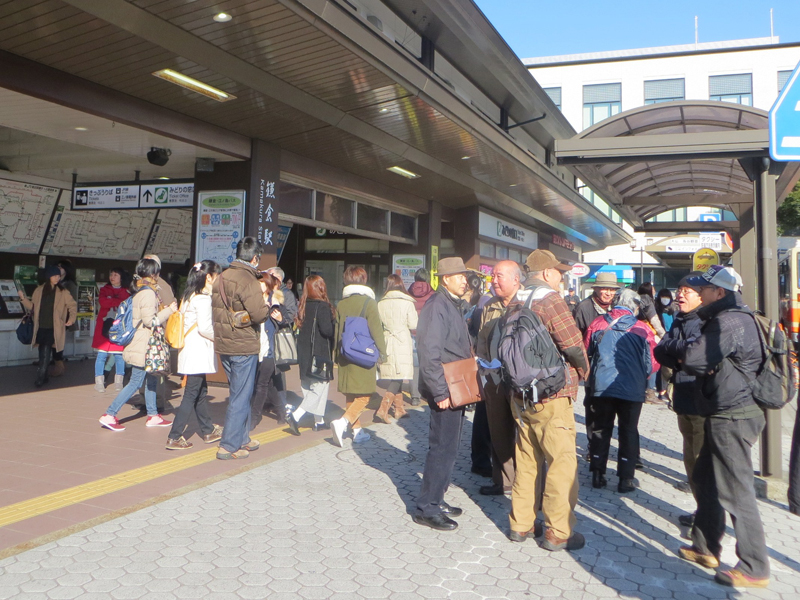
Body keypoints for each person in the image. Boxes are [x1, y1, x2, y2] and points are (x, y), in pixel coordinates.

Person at [675, 265, 770, 589]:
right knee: (706, 478)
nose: (699, 294)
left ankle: (755, 566)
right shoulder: (735, 316)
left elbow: (694, 359)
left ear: (720, 292)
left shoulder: (727, 321)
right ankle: (705, 547)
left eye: (704, 290)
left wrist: (678, 351)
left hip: (733, 415)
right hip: (727, 411)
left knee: (737, 491)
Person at [507, 250, 588, 551]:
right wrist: (584, 370)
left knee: (527, 460)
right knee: (560, 463)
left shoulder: (515, 300)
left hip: (521, 393)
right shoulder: (550, 299)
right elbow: (572, 343)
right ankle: (558, 531)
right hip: (551, 394)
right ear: (545, 273)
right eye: (558, 272)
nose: (561, 277)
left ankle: (521, 524)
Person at [413, 257, 473, 531]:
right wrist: (439, 392)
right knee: (441, 448)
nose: (464, 280)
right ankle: (427, 508)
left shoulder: (451, 304)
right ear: (445, 279)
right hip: (445, 388)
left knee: (450, 448)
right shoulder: (437, 305)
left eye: (464, 276)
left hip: (455, 386)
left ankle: (437, 497)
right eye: (459, 276)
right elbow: (429, 352)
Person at [584, 288, 656, 493]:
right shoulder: (642, 328)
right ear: (635, 307)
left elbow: (586, 351)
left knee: (601, 429)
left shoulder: (598, 323)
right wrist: (642, 377)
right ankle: (626, 479)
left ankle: (597, 474)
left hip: (602, 387)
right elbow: (652, 362)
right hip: (632, 388)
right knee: (628, 430)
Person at [98, 258, 176, 431]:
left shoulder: (140, 290)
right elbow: (150, 321)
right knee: (135, 382)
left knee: (151, 380)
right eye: (157, 272)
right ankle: (110, 414)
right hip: (143, 345)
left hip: (143, 344)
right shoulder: (148, 293)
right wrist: (169, 311)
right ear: (153, 274)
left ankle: (153, 415)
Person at [211, 237, 271, 460]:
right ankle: (228, 445)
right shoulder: (248, 280)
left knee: (240, 393)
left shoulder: (221, 277)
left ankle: (243, 437)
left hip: (225, 343)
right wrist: (267, 307)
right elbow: (259, 314)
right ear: (255, 258)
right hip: (243, 344)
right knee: (240, 396)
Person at [653, 273, 705, 523]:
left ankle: (708, 518)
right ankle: (701, 511)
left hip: (701, 400)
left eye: (687, 291)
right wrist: (679, 355)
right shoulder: (680, 319)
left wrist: (679, 353)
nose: (680, 295)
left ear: (701, 296)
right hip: (683, 398)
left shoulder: (705, 320)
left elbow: (695, 356)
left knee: (702, 460)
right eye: (679, 290)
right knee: (690, 460)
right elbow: (660, 350)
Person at [165, 261, 224, 450]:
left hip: (189, 350)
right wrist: (221, 338)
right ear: (209, 277)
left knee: (200, 391)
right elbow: (205, 328)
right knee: (192, 393)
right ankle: (174, 436)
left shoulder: (189, 296)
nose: (218, 279)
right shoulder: (203, 299)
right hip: (198, 351)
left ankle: (208, 430)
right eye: (217, 275)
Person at [475, 260, 522, 496]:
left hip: (522, 379)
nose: (493, 281)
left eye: (499, 276)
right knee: (498, 431)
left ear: (516, 279)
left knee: (524, 433)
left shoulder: (528, 303)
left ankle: (526, 483)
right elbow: (482, 341)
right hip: (494, 377)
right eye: (492, 276)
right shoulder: (489, 305)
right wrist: (484, 370)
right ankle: (503, 481)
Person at [330, 266, 387, 447]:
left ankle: (357, 432)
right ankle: (343, 422)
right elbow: (376, 330)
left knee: (351, 395)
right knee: (365, 395)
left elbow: (337, 332)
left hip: (345, 354)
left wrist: (336, 354)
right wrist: (383, 352)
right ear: (363, 280)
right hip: (364, 355)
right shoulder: (369, 303)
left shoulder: (342, 304)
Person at [287, 275, 336, 433]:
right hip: (319, 352)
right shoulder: (323, 306)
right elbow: (327, 330)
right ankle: (296, 416)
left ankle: (318, 421)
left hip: (304, 352)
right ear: (321, 288)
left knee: (308, 386)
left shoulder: (302, 305)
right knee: (320, 386)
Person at [18, 265, 78, 388]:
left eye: (58, 276)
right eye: (54, 276)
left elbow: (72, 305)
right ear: (48, 276)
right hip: (40, 326)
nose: (57, 278)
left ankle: (40, 376)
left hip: (54, 327)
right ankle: (44, 376)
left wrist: (71, 319)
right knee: (42, 351)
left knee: (45, 349)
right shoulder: (39, 290)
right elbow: (33, 307)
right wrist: (23, 298)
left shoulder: (63, 291)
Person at [374, 275, 418, 423]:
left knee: (395, 374)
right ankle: (383, 409)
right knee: (399, 375)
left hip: (387, 340)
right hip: (402, 341)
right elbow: (413, 324)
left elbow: (378, 324)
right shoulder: (407, 302)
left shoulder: (381, 303)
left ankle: (399, 409)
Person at [250, 272, 290, 428]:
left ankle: (254, 418)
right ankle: (281, 412)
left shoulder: (275, 303)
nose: (258, 285)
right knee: (270, 384)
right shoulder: (253, 300)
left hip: (270, 350)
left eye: (261, 282)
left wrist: (280, 320)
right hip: (256, 348)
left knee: (261, 384)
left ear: (267, 285)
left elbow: (287, 323)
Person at [266, 266, 298, 416]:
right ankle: (273, 402)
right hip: (267, 336)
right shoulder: (266, 292)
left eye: (270, 275)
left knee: (277, 372)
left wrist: (281, 318)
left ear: (277, 278)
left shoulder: (286, 294)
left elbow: (291, 316)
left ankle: (282, 404)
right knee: (266, 373)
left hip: (278, 337)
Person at [92, 267, 130, 393]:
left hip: (119, 327)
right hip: (104, 326)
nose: (112, 277)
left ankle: (119, 382)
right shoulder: (104, 289)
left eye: (115, 275)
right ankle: (99, 382)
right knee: (101, 354)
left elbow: (126, 304)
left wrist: (111, 300)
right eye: (111, 274)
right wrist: (118, 301)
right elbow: (103, 302)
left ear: (121, 278)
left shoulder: (126, 291)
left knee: (119, 355)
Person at [408, 268, 435, 407]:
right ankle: (428, 393)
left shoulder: (408, 293)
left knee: (415, 365)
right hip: (428, 333)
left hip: (412, 333)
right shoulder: (433, 294)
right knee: (429, 364)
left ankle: (415, 397)